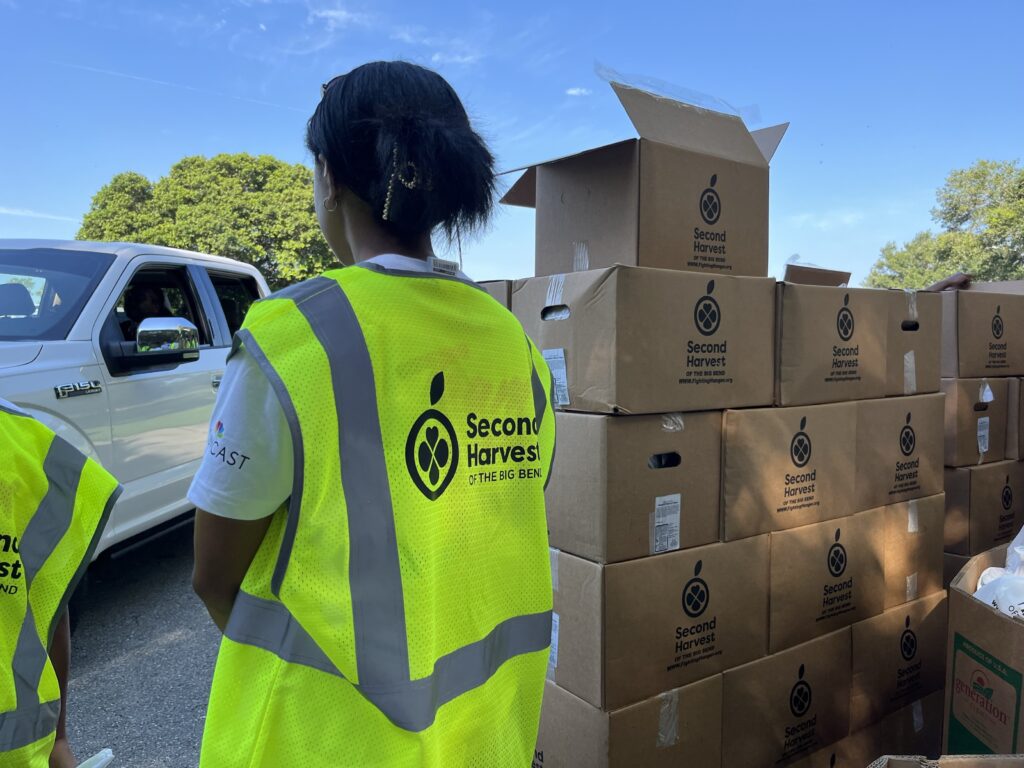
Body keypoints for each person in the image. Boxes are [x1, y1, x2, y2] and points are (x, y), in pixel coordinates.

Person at [189, 61, 556, 767]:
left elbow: (214, 576)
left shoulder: (293, 335)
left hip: (318, 740)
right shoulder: (512, 339)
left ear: (329, 177)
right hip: (483, 736)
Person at [0, 398, 122, 768]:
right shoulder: (19, 438)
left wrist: (58, 739)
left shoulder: (20, 441)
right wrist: (59, 739)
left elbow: (48, 598)